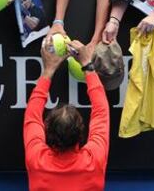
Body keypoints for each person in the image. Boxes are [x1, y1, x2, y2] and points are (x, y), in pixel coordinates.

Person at [24, 38, 109, 191]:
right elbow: (101, 113)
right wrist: (87, 63)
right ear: (80, 133)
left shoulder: (36, 158)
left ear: (47, 130)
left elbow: (32, 116)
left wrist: (48, 70)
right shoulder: (94, 159)